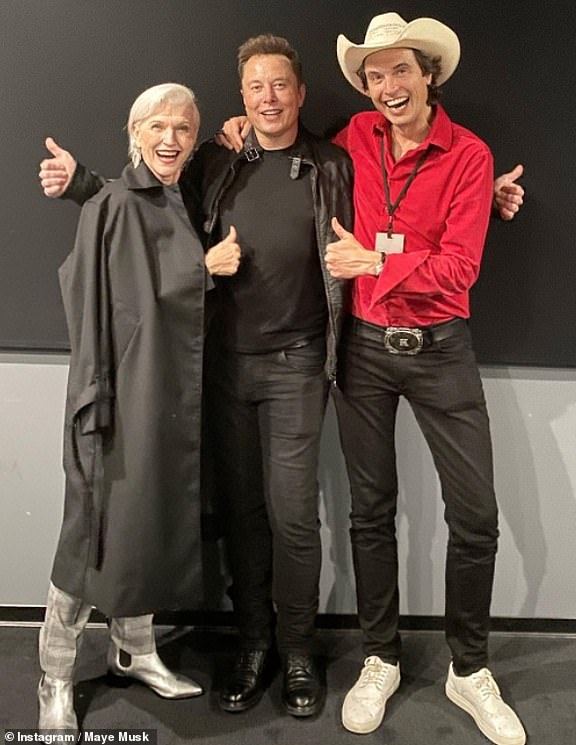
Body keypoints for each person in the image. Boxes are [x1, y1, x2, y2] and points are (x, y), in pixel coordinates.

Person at [38, 35, 353, 719]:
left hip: (274, 368)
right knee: (169, 520)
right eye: (255, 87)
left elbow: (142, 205)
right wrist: (86, 184)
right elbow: (126, 219)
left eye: (280, 85)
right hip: (182, 377)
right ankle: (241, 649)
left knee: (284, 517)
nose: (267, 98)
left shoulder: (321, 165)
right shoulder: (214, 164)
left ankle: (290, 651)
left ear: (299, 93)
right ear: (241, 97)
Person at [321, 13, 526, 745]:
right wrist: (238, 132)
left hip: (440, 347)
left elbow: (460, 269)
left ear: (429, 73)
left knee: (476, 516)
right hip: (365, 350)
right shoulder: (353, 137)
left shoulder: (469, 155)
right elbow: (296, 158)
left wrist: (377, 262)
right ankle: (380, 655)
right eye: (374, 75)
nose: (386, 86)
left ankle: (468, 669)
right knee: (370, 512)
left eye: (399, 70)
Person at [37, 83, 208, 736]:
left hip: (159, 398)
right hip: (110, 398)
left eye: (184, 129)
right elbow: (118, 297)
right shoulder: (110, 203)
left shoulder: (171, 200)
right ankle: (53, 672)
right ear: (134, 133)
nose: (171, 139)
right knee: (90, 537)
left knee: (141, 529)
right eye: (158, 126)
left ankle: (134, 648)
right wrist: (207, 269)